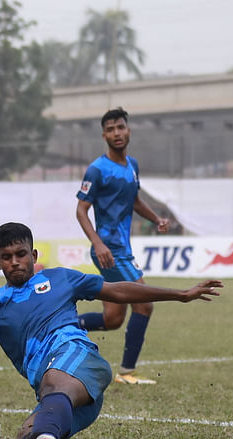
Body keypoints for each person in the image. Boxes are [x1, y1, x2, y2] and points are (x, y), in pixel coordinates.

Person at [0, 222, 223, 439]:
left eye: (21, 254)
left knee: (51, 387)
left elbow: (117, 290)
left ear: (33, 256)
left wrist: (181, 295)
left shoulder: (61, 278)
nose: (15, 262)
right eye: (7, 257)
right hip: (65, 398)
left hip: (80, 362)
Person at [75, 107, 170, 385]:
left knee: (113, 319)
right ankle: (127, 372)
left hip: (121, 250)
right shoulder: (97, 169)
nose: (116, 133)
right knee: (145, 306)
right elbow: (81, 210)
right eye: (111, 129)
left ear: (128, 131)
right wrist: (98, 244)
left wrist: (156, 219)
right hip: (109, 251)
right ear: (104, 135)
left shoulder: (132, 166)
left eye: (121, 127)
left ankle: (61, 324)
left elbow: (134, 200)